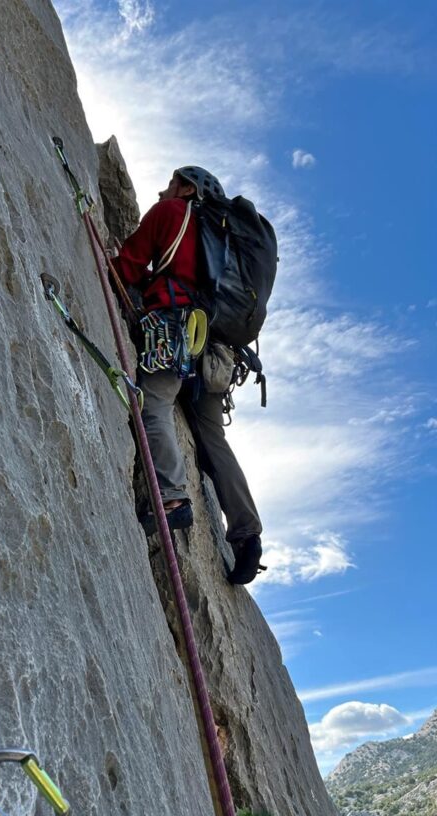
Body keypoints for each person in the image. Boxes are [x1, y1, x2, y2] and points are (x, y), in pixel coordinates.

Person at [111, 166, 263, 585]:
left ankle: (173, 497)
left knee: (155, 402)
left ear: (188, 189)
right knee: (212, 437)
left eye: (171, 184)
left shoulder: (172, 212)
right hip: (214, 350)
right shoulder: (226, 244)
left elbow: (127, 267)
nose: (162, 190)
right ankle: (247, 531)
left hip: (175, 329)